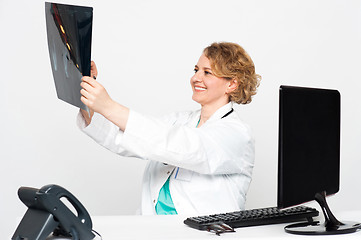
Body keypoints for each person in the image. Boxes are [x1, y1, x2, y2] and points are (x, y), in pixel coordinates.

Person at [77, 42, 261, 215]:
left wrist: (108, 106)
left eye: (207, 73)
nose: (195, 78)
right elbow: (125, 139)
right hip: (155, 230)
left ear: (232, 84)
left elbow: (182, 146)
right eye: (196, 70)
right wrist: (89, 97)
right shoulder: (179, 120)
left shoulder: (237, 134)